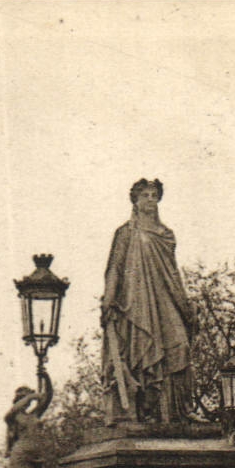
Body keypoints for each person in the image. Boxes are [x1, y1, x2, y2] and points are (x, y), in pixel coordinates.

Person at [100, 178, 196, 425]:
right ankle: (147, 410)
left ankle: (178, 411)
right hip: (137, 303)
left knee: (180, 347)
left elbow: (173, 273)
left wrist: (185, 306)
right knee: (144, 354)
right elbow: (115, 268)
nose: (150, 199)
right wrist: (109, 301)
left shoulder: (166, 235)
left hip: (165, 299)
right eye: (145, 195)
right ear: (135, 200)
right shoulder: (125, 233)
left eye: (154, 195)